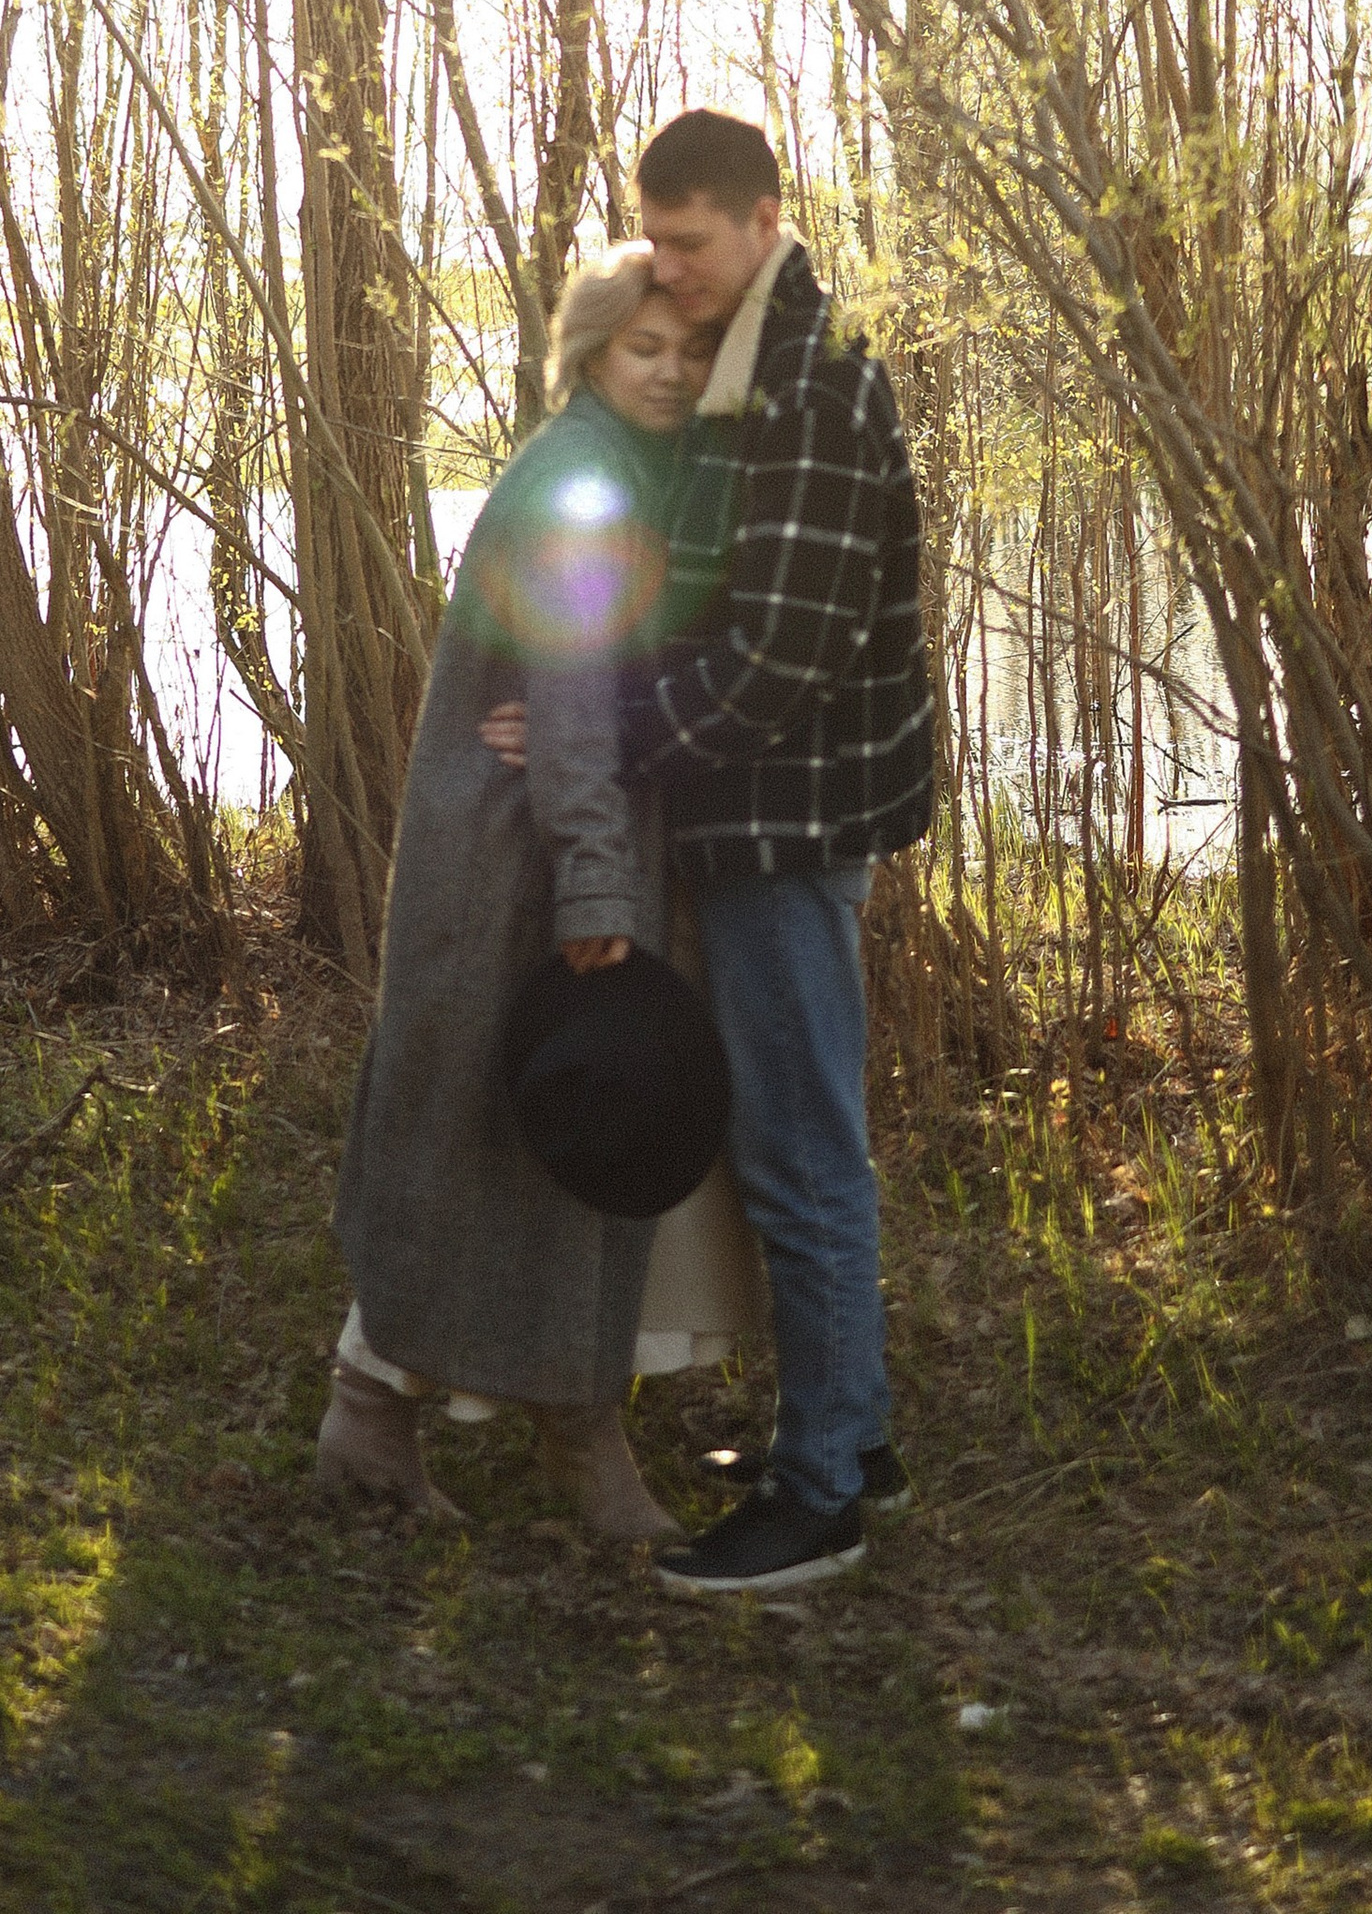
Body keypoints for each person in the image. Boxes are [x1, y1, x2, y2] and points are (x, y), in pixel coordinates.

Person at [486, 106, 932, 1593]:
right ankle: (851, 1433)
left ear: (760, 221)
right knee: (799, 1143)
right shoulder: (756, 364)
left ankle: (823, 1499)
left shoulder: (809, 382)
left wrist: (596, 729)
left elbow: (780, 662)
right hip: (763, 814)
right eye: (654, 242)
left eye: (687, 243)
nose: (666, 271)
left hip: (789, 825)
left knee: (801, 1158)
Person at [319, 245, 754, 1539]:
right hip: (523, 866)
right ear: (590, 355)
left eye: (687, 351)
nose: (668, 372)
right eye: (642, 350)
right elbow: (565, 709)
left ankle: (557, 1421)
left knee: (543, 1135)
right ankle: (388, 1417)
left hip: (543, 851)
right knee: (499, 1129)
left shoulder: (628, 471)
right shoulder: (580, 482)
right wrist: (597, 895)